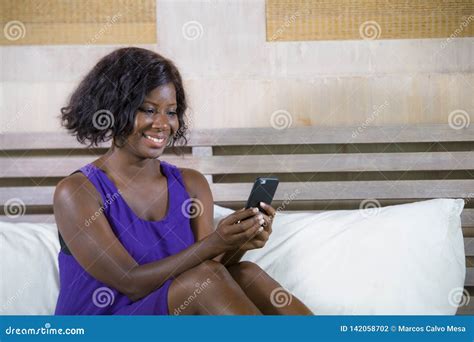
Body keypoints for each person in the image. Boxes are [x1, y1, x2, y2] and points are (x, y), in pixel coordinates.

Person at [54, 47, 312, 315]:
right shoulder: (77, 192)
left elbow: (209, 265)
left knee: (246, 273)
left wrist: (236, 243)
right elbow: (129, 282)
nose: (163, 124)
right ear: (113, 109)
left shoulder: (192, 185)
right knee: (203, 281)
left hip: (165, 317)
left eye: (171, 112)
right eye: (149, 110)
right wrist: (216, 242)